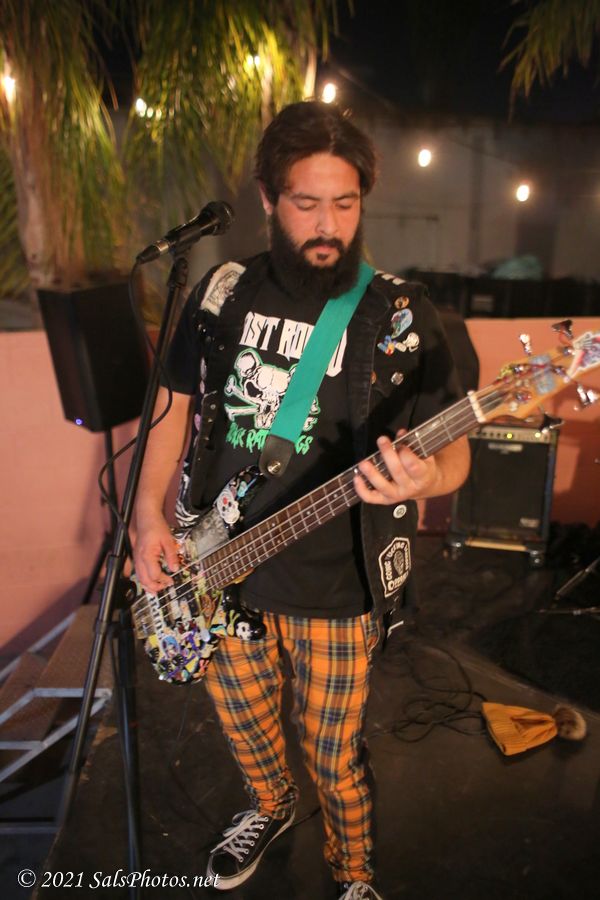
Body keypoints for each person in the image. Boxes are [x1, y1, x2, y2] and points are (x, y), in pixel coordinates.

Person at [133, 100, 470, 900]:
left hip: (334, 586)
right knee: (246, 727)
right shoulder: (220, 292)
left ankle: (353, 875)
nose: (328, 225)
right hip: (215, 566)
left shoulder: (401, 314)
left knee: (334, 752)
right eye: (307, 203)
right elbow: (173, 406)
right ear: (267, 198)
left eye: (345, 204)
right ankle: (271, 805)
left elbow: (455, 447)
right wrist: (147, 517)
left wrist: (426, 479)